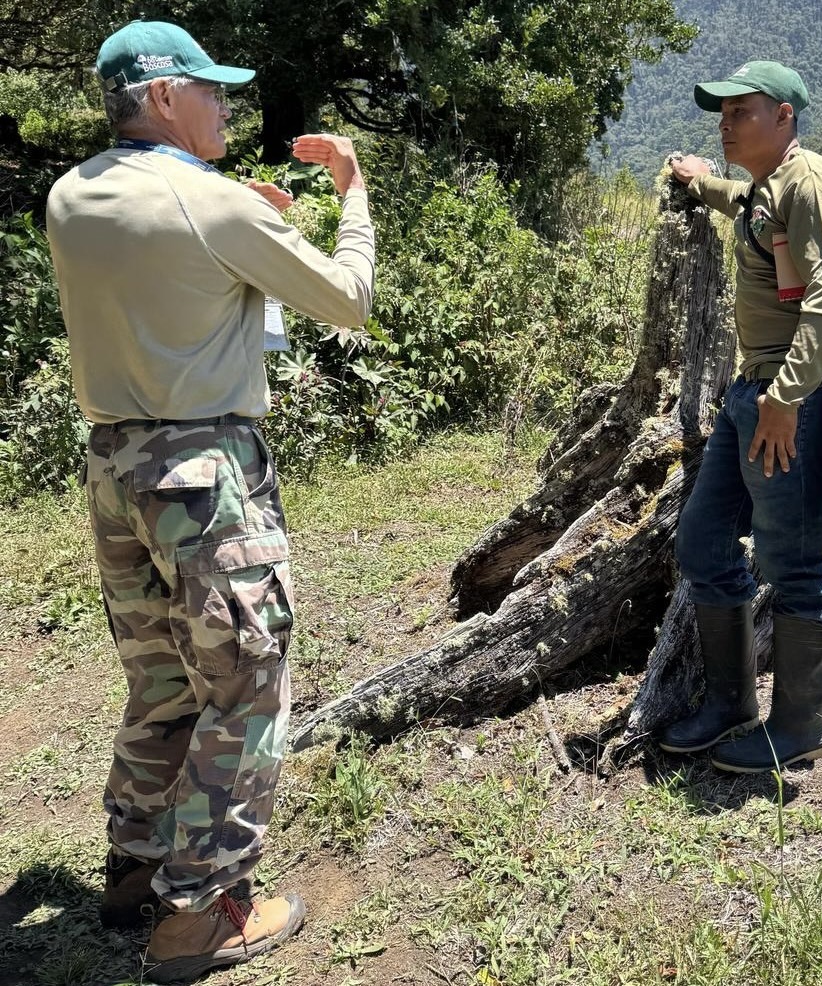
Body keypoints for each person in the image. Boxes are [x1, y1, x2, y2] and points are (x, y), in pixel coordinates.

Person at [45, 20, 375, 981]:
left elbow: (173, 270)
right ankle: (198, 917)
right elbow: (347, 299)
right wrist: (352, 198)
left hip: (115, 469)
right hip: (202, 474)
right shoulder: (210, 200)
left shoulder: (71, 196)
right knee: (245, 681)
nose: (225, 103)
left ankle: (133, 869)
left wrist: (239, 219)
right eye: (208, 88)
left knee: (160, 681)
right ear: (159, 98)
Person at [659, 61, 822, 773]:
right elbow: (744, 206)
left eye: (741, 110)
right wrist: (697, 180)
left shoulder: (812, 183)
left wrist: (785, 400)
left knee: (802, 562)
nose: (725, 121)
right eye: (720, 112)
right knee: (704, 538)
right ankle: (731, 704)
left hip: (796, 397)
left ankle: (800, 728)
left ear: (784, 115)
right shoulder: (767, 187)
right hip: (753, 391)